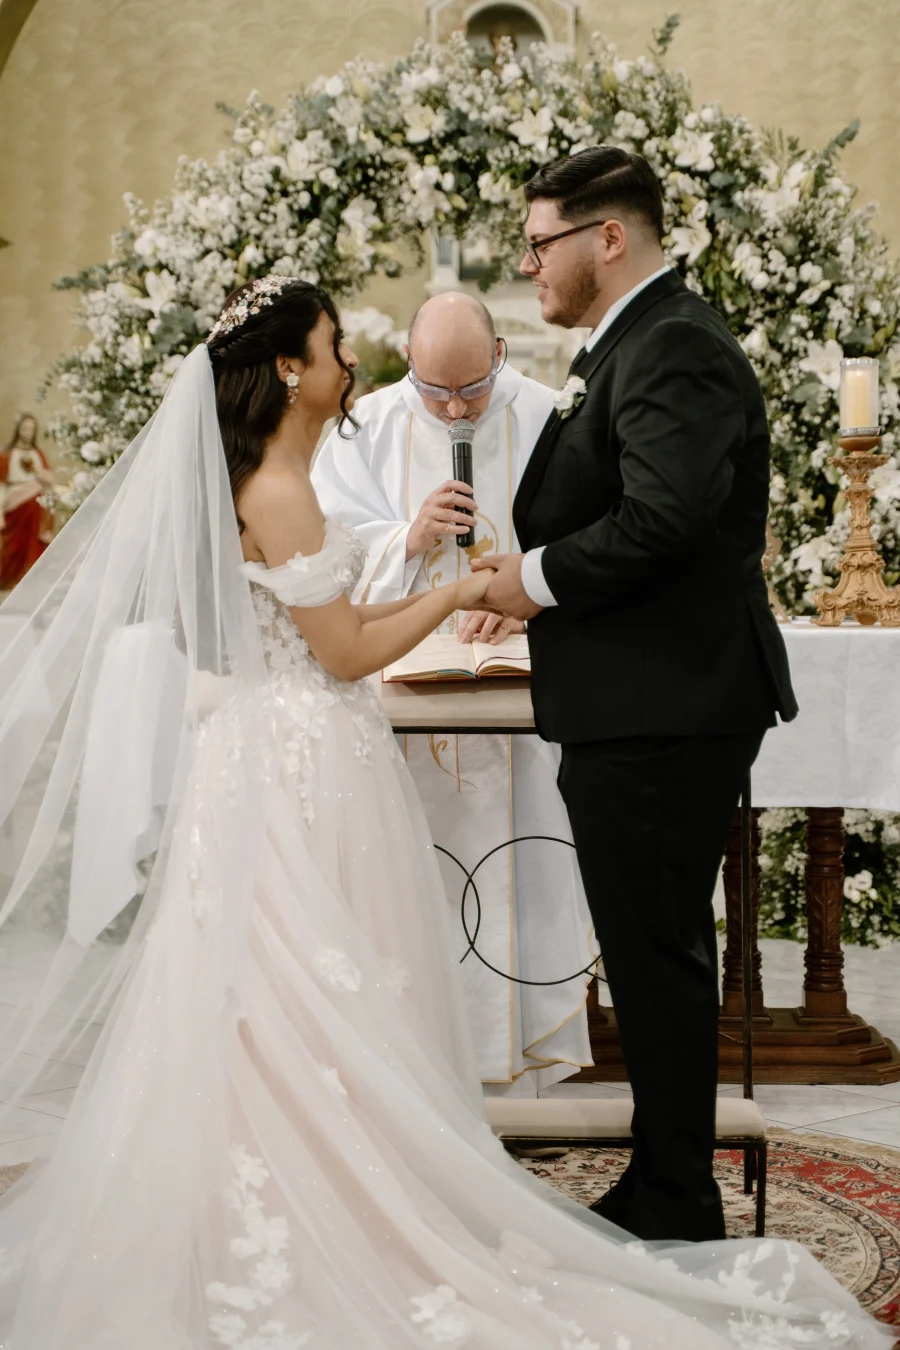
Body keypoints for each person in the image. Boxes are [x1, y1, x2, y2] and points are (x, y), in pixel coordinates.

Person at [0, 276, 885, 1349]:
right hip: (293, 765)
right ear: (289, 368)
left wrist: (424, 583)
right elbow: (345, 651)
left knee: (289, 995)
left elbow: (330, 613)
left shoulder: (280, 470)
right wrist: (460, 593)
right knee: (289, 992)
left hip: (295, 752)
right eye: (334, 347)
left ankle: (300, 1179)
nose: (350, 367)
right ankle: (297, 1203)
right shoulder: (279, 484)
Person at [473, 146, 799, 1244]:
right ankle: (669, 1180)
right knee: (654, 952)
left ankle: (676, 1196)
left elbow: (661, 520)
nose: (530, 267)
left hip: (665, 707)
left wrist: (529, 581)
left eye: (539, 243)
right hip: (644, 700)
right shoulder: (640, 341)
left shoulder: (672, 349)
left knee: (658, 956)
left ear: (607, 238)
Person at [313, 291, 595, 1093]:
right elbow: (325, 552)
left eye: (474, 385)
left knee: (524, 866)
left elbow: (584, 543)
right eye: (438, 391)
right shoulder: (364, 427)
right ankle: (422, 1081)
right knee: (411, 885)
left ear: (500, 352)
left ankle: (523, 1078)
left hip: (518, 685)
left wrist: (530, 598)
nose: (459, 407)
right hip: (403, 686)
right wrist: (409, 534)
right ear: (411, 368)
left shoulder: (548, 415)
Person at [0, 413, 54, 590]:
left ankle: (31, 588)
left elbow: (48, 479)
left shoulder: (38, 454)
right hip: (15, 507)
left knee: (34, 548)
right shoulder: (7, 455)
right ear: (17, 429)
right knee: (13, 548)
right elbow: (1, 485)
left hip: (36, 509)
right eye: (25, 428)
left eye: (31, 429)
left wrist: (37, 472)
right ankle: (10, 587)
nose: (28, 433)